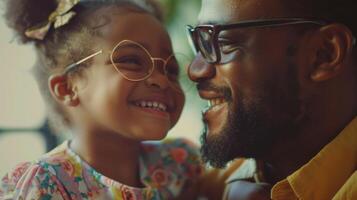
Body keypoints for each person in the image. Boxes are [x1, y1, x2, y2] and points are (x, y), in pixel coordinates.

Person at [0, 0, 204, 199]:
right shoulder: (47, 184)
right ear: (67, 88)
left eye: (171, 70)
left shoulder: (180, 164)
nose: (162, 79)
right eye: (131, 61)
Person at [186, 0, 357, 199]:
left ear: (323, 55)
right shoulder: (201, 185)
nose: (194, 70)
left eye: (223, 43)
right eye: (201, 42)